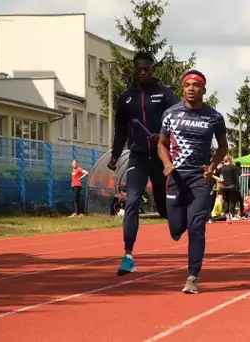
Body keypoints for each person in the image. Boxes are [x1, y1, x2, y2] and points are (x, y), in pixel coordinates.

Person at [157, 69, 228, 294]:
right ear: (182, 88)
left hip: (200, 177)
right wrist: (167, 163)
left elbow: (223, 146)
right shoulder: (170, 114)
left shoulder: (214, 117)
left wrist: (213, 167)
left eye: (196, 85)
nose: (191, 88)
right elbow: (161, 143)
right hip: (177, 176)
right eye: (187, 84)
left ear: (203, 90)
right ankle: (177, 227)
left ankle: (192, 276)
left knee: (197, 226)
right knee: (176, 227)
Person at [108, 51, 177, 276]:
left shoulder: (165, 94)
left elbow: (176, 124)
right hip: (137, 157)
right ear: (134, 70)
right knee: (132, 200)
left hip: (161, 158)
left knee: (165, 208)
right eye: (139, 69)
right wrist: (115, 155)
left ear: (152, 69)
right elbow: (120, 130)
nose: (143, 72)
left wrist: (164, 138)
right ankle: (128, 255)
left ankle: (176, 223)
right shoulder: (126, 98)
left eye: (147, 68)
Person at [215, 156, 239, 224]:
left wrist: (219, 179)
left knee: (226, 202)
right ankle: (230, 217)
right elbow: (236, 178)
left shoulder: (222, 168)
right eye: (231, 159)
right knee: (232, 202)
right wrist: (237, 187)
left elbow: (214, 174)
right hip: (232, 187)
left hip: (224, 187)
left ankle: (227, 218)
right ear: (229, 160)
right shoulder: (233, 167)